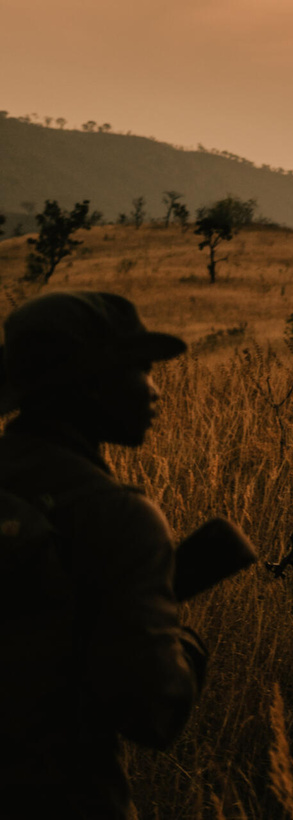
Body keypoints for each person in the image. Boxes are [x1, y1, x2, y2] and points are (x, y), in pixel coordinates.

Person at [0, 291, 208, 820]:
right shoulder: (119, 516)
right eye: (139, 370)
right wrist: (185, 643)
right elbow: (152, 714)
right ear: (90, 384)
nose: (155, 390)